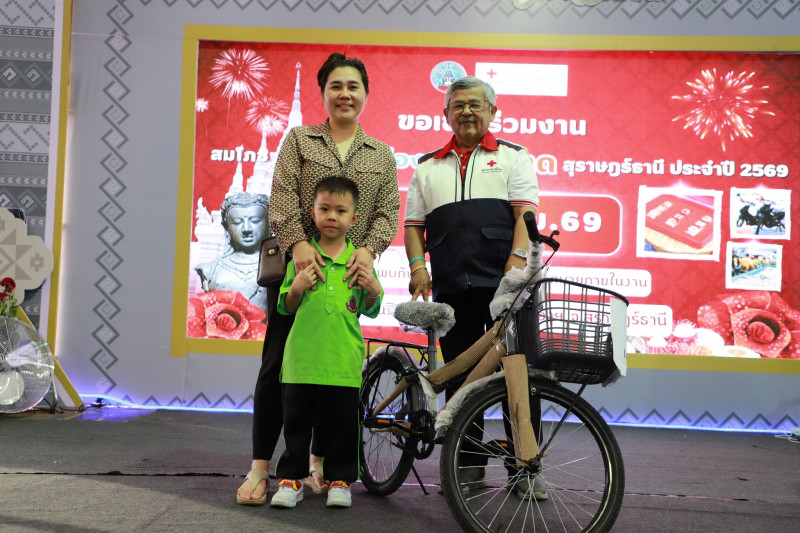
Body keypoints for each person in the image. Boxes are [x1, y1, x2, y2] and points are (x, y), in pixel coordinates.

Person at [236, 52, 400, 505]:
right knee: (277, 368)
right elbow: (282, 197)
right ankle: (260, 469)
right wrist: (298, 244)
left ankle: (320, 465)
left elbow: (387, 211)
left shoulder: (381, 154)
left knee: (332, 375)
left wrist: (368, 250)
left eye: (353, 86)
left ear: (365, 93)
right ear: (324, 93)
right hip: (299, 271)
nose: (345, 94)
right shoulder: (299, 139)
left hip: (348, 275)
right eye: (335, 86)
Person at [403, 76, 543, 498]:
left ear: (492, 112)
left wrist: (516, 264)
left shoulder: (514, 157)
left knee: (516, 375)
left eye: (475, 104)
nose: (466, 111)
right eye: (457, 105)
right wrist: (417, 267)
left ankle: (525, 469)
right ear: (446, 113)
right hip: (451, 287)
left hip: (506, 288)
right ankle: (467, 467)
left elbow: (526, 216)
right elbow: (413, 226)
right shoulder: (427, 166)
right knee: (461, 377)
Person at [269, 176, 382, 509]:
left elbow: (370, 308)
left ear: (354, 218)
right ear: (312, 213)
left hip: (342, 363)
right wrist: (297, 286)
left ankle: (340, 481)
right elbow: (286, 306)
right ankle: (291, 480)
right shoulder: (303, 259)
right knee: (296, 425)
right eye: (325, 209)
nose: (332, 216)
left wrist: (373, 290)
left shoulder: (359, 262)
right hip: (301, 362)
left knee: (342, 426)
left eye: (341, 210)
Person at [195, 192, 269, 310]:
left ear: (269, 224)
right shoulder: (211, 269)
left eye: (255, 221)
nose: (246, 229)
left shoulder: (280, 266)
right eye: (237, 222)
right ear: (227, 227)